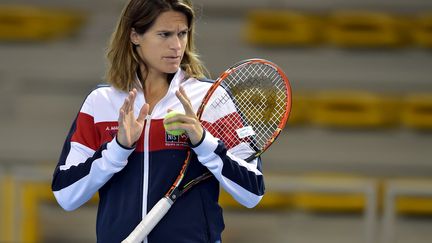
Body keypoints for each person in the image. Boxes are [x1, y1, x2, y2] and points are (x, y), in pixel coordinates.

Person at [51, 0, 264, 242]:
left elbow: (253, 191)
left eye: (182, 34)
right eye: (164, 34)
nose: (176, 46)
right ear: (135, 36)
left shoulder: (210, 99)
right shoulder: (100, 103)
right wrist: (118, 150)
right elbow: (66, 195)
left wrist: (204, 143)